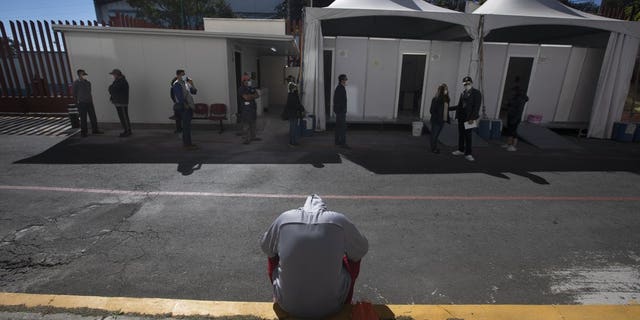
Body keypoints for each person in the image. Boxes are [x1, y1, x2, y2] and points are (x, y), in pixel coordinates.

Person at [260, 194, 368, 319]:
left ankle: (279, 295)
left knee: (273, 254)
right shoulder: (338, 220)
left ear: (302, 208)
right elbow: (361, 250)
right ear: (324, 209)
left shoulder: (285, 218)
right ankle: (345, 302)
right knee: (352, 258)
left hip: (287, 305)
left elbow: (266, 247)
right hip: (331, 307)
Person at [451, 76, 481, 161]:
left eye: (468, 83)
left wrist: (472, 118)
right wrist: (448, 109)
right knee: (461, 134)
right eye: (464, 83)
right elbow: (460, 106)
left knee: (468, 135)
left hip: (470, 118)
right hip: (461, 117)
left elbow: (476, 107)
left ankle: (468, 153)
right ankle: (461, 150)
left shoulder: (476, 93)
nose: (466, 85)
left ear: (471, 83)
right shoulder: (463, 93)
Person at [171, 69, 198, 150]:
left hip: (189, 107)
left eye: (184, 74)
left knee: (187, 127)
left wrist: (192, 84)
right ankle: (187, 144)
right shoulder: (177, 84)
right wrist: (186, 105)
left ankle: (188, 143)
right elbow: (179, 97)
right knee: (186, 127)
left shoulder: (186, 83)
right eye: (182, 75)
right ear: (178, 76)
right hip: (184, 108)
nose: (184, 76)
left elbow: (194, 92)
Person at [72, 69, 103, 137]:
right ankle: (84, 132)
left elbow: (89, 92)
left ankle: (95, 130)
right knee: (83, 118)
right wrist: (77, 103)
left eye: (85, 74)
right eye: (83, 74)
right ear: (79, 74)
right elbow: (74, 94)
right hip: (81, 103)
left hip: (89, 102)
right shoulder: (76, 83)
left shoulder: (88, 82)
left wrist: (91, 100)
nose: (85, 75)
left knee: (93, 117)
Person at [503, 78, 529, 152]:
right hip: (511, 115)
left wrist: (514, 118)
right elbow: (510, 105)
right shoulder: (515, 97)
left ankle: (513, 146)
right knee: (509, 130)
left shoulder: (520, 99)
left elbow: (519, 110)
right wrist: (507, 104)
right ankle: (508, 144)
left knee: (513, 131)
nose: (512, 92)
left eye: (514, 91)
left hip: (515, 117)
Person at [108, 69, 131, 137]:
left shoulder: (121, 81)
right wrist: (111, 88)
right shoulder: (118, 81)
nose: (113, 76)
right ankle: (127, 130)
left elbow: (112, 89)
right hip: (119, 102)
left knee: (124, 117)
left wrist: (110, 88)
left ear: (117, 74)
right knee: (123, 117)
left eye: (113, 75)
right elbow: (112, 89)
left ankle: (127, 131)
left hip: (121, 102)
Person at [238, 74, 260, 144]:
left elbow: (257, 95)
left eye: (249, 80)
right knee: (246, 125)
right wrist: (252, 96)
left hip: (252, 108)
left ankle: (253, 137)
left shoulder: (251, 88)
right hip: (245, 109)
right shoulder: (241, 89)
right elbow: (246, 98)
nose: (248, 81)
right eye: (246, 80)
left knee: (253, 123)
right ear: (243, 81)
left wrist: (250, 96)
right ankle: (246, 139)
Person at [429, 83, 450, 154]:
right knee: (434, 135)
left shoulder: (446, 99)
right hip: (436, 121)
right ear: (441, 90)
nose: (446, 91)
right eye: (445, 89)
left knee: (436, 135)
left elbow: (446, 109)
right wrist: (438, 118)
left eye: (446, 89)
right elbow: (432, 110)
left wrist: (457, 107)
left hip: (442, 121)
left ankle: (434, 147)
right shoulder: (436, 99)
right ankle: (433, 148)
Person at [333, 74, 349, 148]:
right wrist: (343, 109)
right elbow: (339, 101)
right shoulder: (341, 88)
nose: (346, 81)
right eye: (345, 79)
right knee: (342, 127)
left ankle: (337, 142)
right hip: (341, 111)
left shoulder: (339, 88)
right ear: (342, 80)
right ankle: (343, 143)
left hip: (339, 111)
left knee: (338, 127)